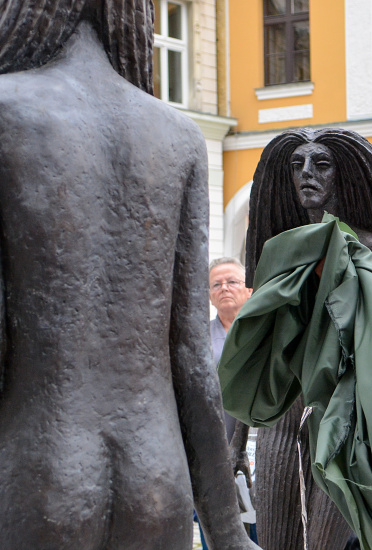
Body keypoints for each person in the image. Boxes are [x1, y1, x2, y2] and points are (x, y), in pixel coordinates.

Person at [0, 2, 258, 548]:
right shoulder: (179, 135)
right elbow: (192, 359)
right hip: (158, 480)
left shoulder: (7, 110)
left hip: (33, 471)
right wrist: (228, 533)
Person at [240, 127, 372, 550]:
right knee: (276, 543)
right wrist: (235, 444)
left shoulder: (365, 246)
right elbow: (257, 350)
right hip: (281, 414)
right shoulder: (278, 250)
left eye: (321, 164)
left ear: (341, 174)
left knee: (325, 543)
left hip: (339, 414)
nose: (307, 173)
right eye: (297, 165)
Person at [201, 258, 256, 547]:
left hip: (260, 452)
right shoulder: (199, 337)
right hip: (213, 452)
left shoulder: (263, 330)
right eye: (216, 284)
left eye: (232, 281)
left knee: (262, 532)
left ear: (249, 289)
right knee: (217, 533)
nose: (224, 288)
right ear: (209, 295)